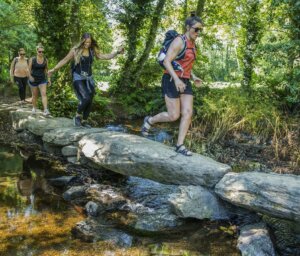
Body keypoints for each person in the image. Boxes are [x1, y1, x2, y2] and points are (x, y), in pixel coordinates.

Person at [141, 14, 204, 156]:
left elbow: (184, 64)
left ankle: (179, 145)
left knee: (188, 112)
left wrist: (193, 77)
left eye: (200, 30)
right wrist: (176, 79)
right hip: (170, 79)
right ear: (188, 28)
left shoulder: (193, 45)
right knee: (173, 115)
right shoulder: (179, 41)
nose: (198, 33)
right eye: (196, 29)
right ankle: (150, 120)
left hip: (185, 81)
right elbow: (167, 62)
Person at [48, 33, 124, 127]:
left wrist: (117, 52)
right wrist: (54, 69)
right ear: (82, 40)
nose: (87, 44)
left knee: (90, 99)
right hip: (78, 77)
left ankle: (84, 121)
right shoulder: (75, 50)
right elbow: (64, 60)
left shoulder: (92, 50)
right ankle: (77, 116)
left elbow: (105, 56)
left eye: (89, 42)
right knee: (85, 98)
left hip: (89, 78)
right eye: (86, 42)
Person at [28, 44, 51, 116]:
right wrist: (30, 77)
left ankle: (46, 110)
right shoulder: (32, 59)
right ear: (37, 51)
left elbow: (46, 70)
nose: (41, 53)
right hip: (34, 79)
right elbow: (28, 70)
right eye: (39, 51)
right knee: (34, 95)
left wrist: (49, 79)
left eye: (42, 52)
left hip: (42, 79)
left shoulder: (45, 60)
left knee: (44, 94)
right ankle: (34, 108)